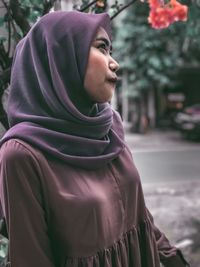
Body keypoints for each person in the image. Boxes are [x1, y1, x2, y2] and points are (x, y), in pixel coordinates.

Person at [0, 10, 189, 267]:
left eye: (110, 50)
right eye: (102, 48)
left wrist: (176, 261)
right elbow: (31, 259)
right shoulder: (22, 154)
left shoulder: (109, 126)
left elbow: (139, 216)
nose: (114, 63)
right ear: (62, 58)